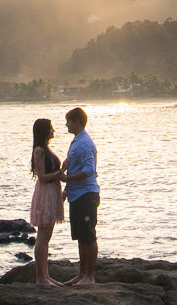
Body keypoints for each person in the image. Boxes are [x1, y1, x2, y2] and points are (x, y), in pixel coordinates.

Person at [59, 106, 99, 285]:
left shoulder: (84, 143)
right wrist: (66, 189)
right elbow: (72, 163)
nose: (66, 124)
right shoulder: (76, 141)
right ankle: (82, 274)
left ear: (77, 122)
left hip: (86, 195)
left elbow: (89, 170)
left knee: (88, 236)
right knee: (81, 236)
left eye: (68, 121)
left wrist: (67, 178)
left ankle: (89, 276)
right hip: (76, 195)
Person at [28, 117, 65, 286]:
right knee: (42, 236)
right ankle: (40, 278)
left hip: (52, 191)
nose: (54, 130)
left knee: (46, 236)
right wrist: (62, 171)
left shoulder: (46, 149)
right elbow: (42, 177)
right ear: (44, 130)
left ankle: (45, 275)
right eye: (51, 128)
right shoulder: (39, 151)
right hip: (45, 192)